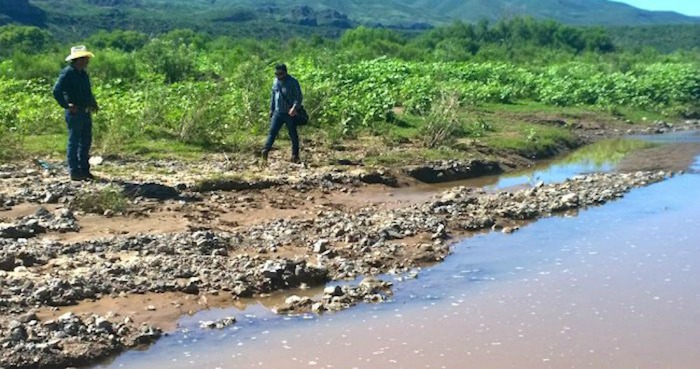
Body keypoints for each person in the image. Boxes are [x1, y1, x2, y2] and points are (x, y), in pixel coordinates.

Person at [52, 45, 99, 181]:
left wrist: (93, 103)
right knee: (74, 141)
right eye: (84, 59)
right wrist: (67, 105)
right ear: (78, 60)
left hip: (85, 111)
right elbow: (57, 91)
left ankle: (84, 170)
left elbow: (87, 92)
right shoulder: (67, 73)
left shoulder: (83, 74)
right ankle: (74, 171)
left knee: (86, 141)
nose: (87, 61)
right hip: (75, 112)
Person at [262, 64, 303, 164]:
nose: (278, 76)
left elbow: (298, 97)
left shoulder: (293, 82)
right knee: (272, 132)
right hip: (278, 112)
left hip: (289, 113)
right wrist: (271, 109)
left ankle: (295, 155)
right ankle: (265, 151)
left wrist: (294, 108)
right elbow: (273, 96)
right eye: (276, 74)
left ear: (285, 73)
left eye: (280, 74)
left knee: (293, 134)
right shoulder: (275, 82)